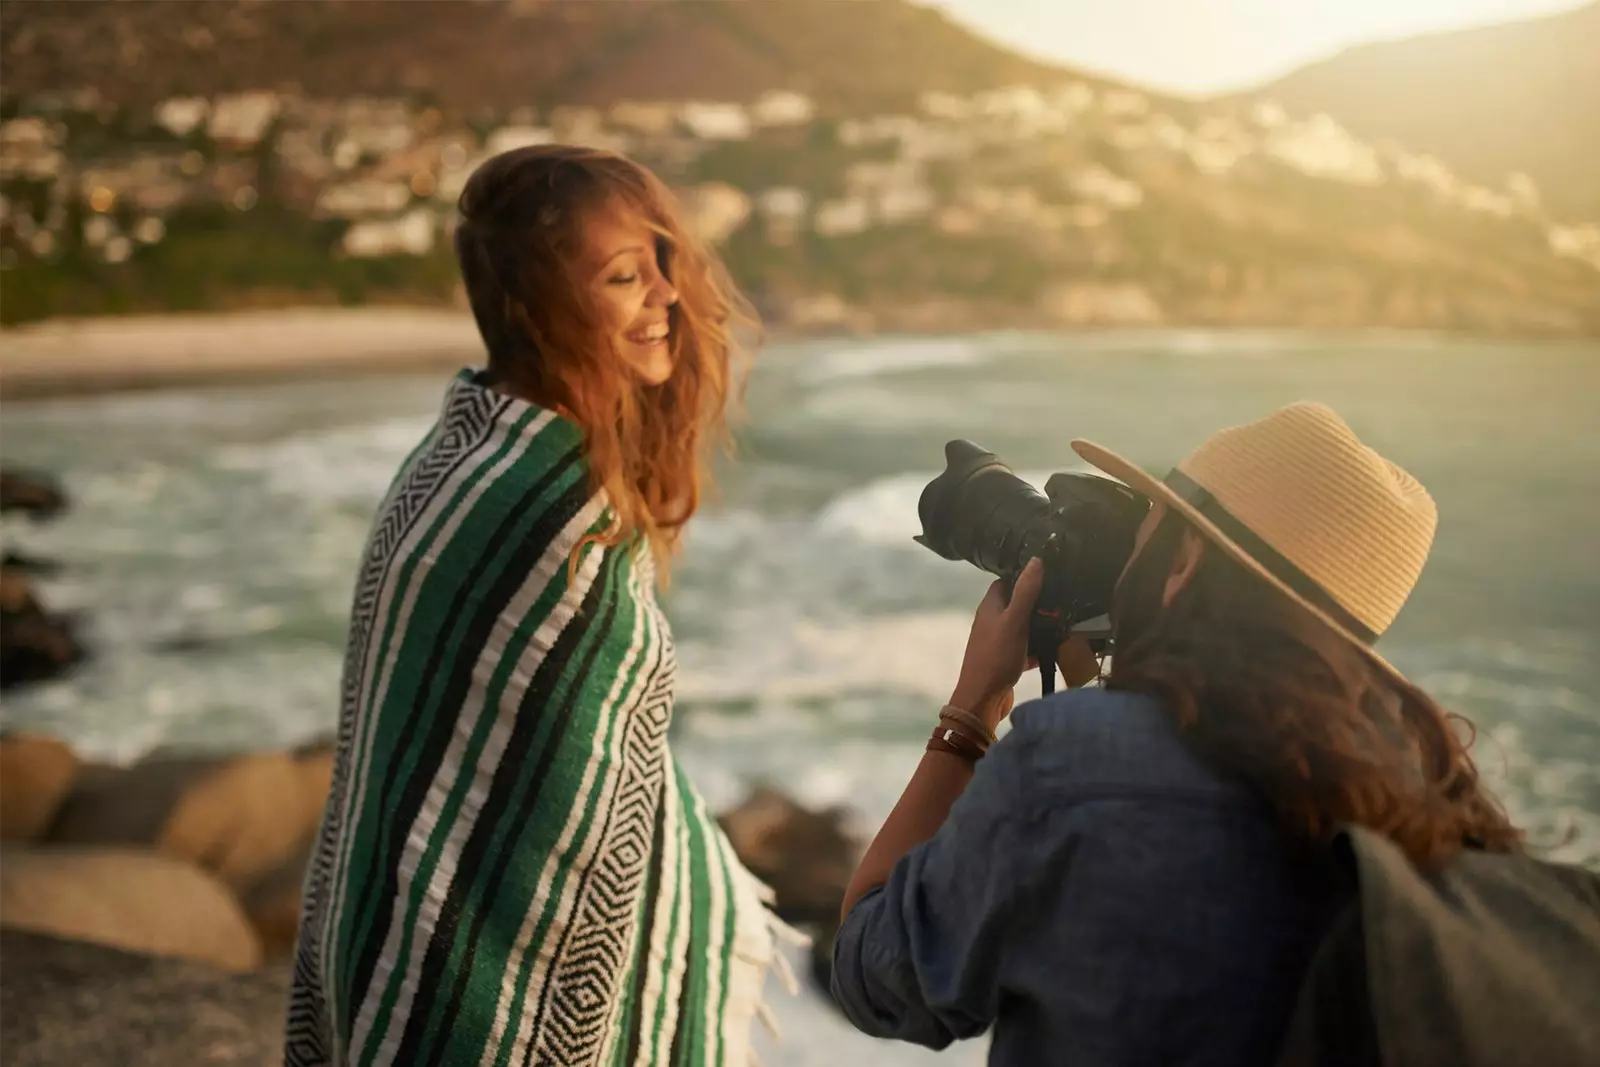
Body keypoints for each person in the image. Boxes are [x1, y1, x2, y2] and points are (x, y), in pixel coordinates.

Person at [285, 145, 792, 1067]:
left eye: (664, 265)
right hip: (471, 1006)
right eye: (624, 276)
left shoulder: (461, 454)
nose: (667, 297)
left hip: (378, 952)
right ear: (538, 309)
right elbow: (588, 811)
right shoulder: (543, 510)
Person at [831, 401, 1523, 1065]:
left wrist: (974, 703)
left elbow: (872, 973)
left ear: (1185, 559)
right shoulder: (1432, 804)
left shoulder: (1069, 767)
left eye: (1147, 528)